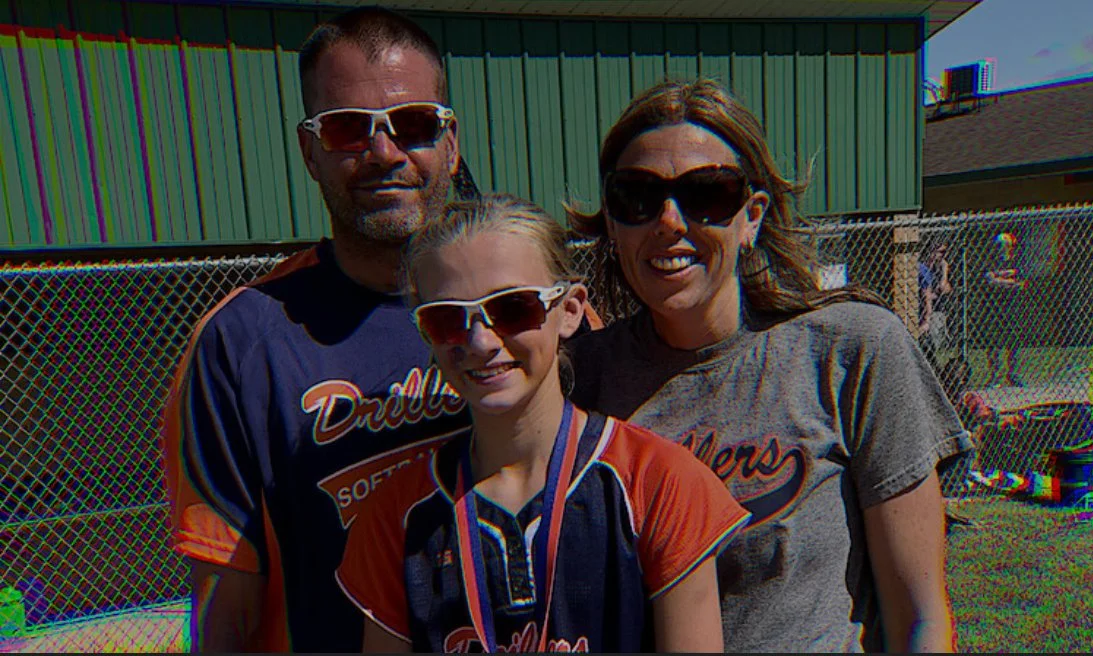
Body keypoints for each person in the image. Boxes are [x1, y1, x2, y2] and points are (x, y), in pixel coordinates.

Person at [566, 78, 974, 653]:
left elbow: (921, 618)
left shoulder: (850, 351)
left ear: (751, 215)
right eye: (637, 196)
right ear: (611, 219)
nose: (669, 221)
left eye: (707, 194)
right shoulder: (577, 381)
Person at [160, 8, 482, 651]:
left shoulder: (522, 312)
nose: (384, 153)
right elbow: (226, 606)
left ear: (450, 141)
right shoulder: (241, 341)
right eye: (346, 130)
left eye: (413, 124)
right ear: (309, 151)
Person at [336, 194, 749, 653]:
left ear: (569, 310)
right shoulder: (395, 515)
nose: (481, 341)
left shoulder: (657, 480)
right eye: (448, 319)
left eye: (513, 308)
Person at [983, 231, 1027, 387]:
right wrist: (1008, 280)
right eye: (999, 246)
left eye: (1005, 245)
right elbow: (990, 280)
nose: (1002, 249)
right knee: (994, 341)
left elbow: (1021, 283)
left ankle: (1013, 374)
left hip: (1012, 307)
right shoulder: (990, 261)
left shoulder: (1018, 262)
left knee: (1013, 340)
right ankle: (995, 375)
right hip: (995, 307)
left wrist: (999, 278)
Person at [918, 240, 953, 368]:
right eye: (940, 252)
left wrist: (944, 272)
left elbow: (946, 288)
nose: (943, 255)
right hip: (922, 311)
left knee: (935, 343)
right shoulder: (921, 268)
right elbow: (926, 295)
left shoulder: (941, 268)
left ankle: (935, 369)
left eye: (945, 252)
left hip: (936, 311)